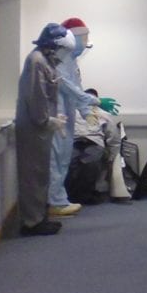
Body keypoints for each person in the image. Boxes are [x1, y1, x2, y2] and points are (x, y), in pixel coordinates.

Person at [15, 24, 75, 236]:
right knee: (33, 176)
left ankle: (40, 217)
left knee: (42, 174)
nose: (65, 54)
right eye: (64, 50)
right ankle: (32, 223)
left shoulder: (46, 61)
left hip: (41, 127)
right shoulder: (37, 62)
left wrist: (53, 118)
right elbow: (36, 97)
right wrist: (47, 120)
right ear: (54, 45)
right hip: (34, 128)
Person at [48, 18, 107, 218]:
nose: (86, 42)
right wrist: (94, 101)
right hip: (56, 116)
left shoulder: (71, 62)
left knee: (63, 160)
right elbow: (68, 87)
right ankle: (54, 202)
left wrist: (86, 112)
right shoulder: (57, 60)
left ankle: (59, 200)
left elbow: (77, 89)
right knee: (56, 161)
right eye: (84, 38)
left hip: (67, 116)